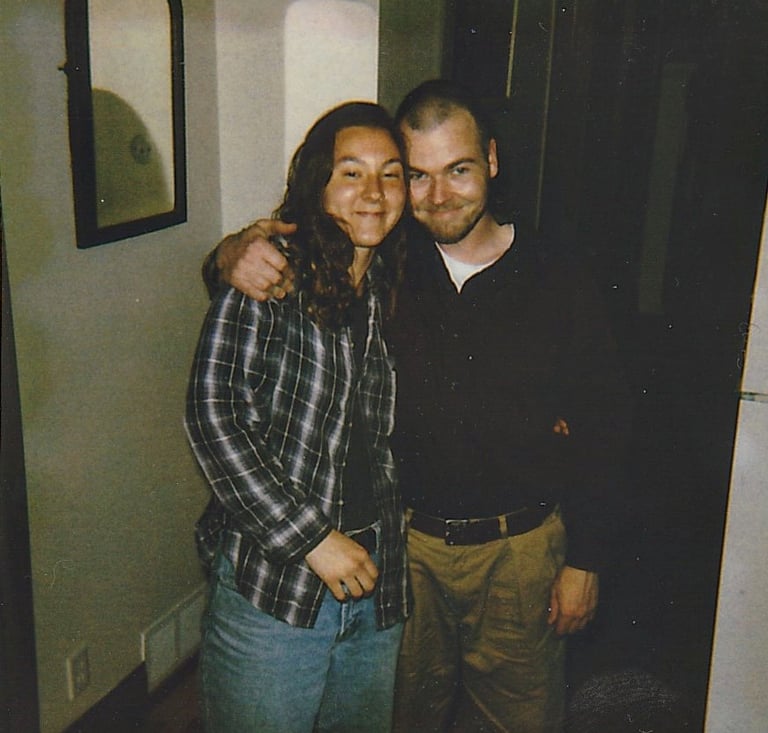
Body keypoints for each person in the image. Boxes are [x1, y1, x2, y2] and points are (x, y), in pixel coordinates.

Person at [205, 80, 630, 733]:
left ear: (490, 159)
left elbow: (603, 422)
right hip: (408, 552)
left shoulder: (558, 272)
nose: (438, 195)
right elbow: (267, 294)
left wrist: (587, 559)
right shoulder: (388, 264)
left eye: (457, 170)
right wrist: (229, 255)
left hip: (519, 551)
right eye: (420, 176)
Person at [185, 101, 411, 733]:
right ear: (317, 184)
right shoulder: (272, 275)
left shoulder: (395, 286)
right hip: (276, 591)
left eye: (391, 174)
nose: (374, 191)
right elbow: (213, 415)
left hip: (377, 590)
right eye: (351, 172)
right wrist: (312, 539)